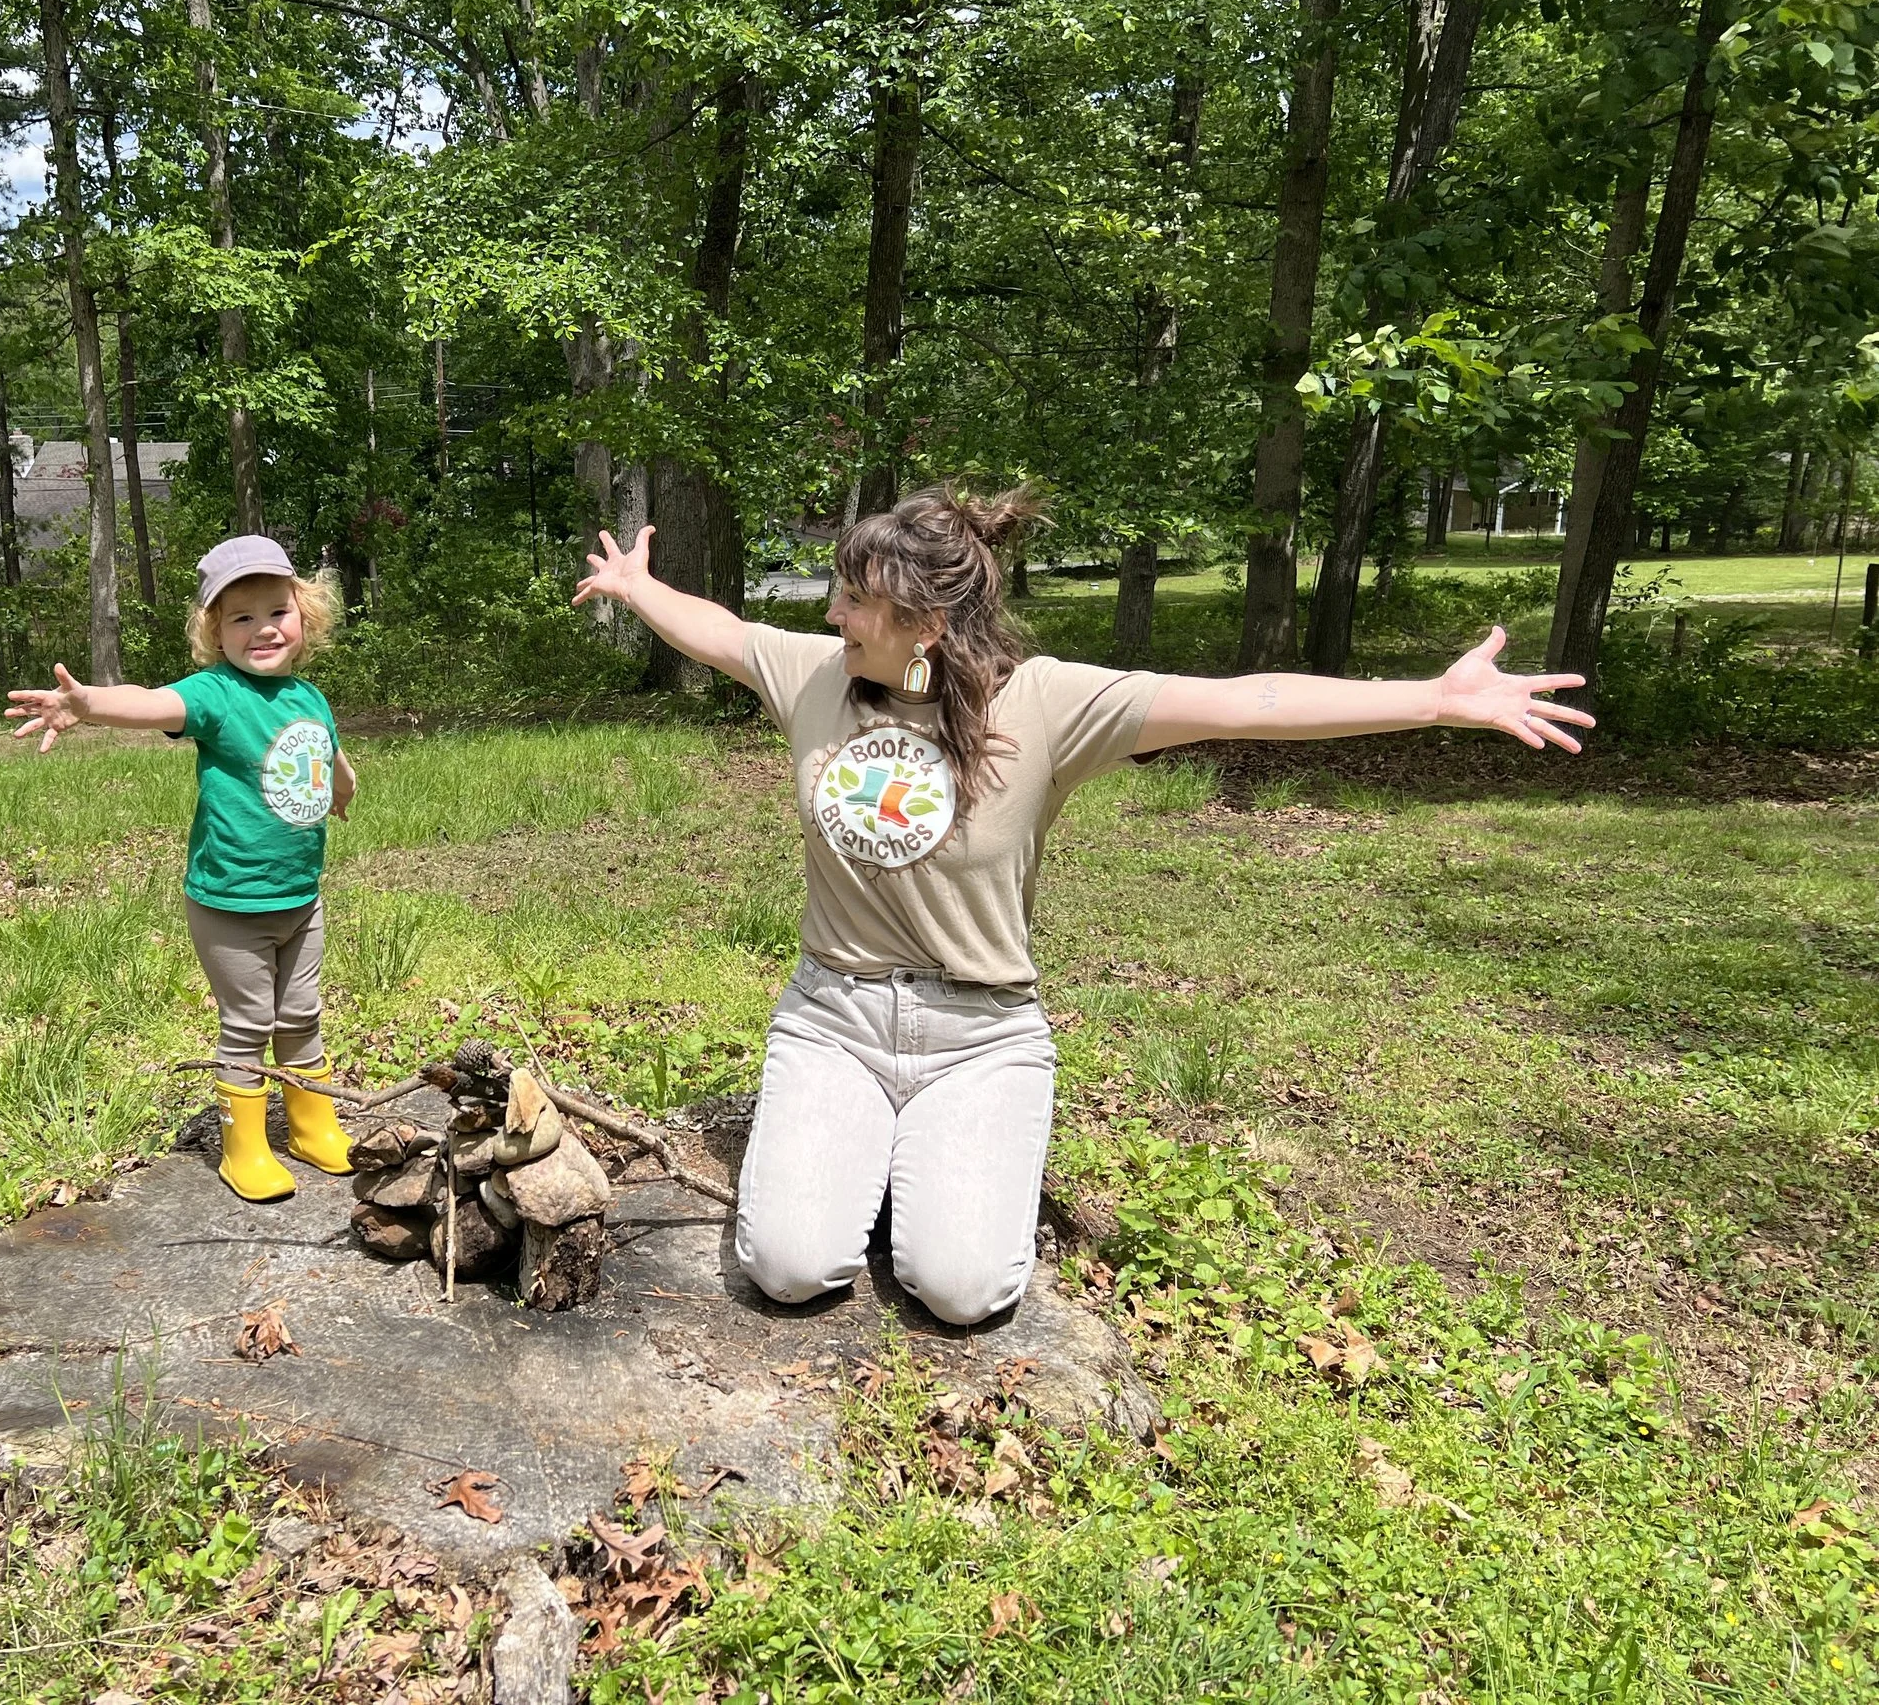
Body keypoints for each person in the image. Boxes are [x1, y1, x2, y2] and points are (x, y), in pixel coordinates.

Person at [575, 486, 1593, 1327]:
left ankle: (915, 1161)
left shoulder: (1048, 701)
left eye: (852, 599)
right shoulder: (816, 675)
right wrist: (638, 585)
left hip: (976, 1035)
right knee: (791, 1269)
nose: (831, 616)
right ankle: (857, 1156)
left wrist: (1432, 698)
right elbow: (720, 634)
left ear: (926, 623)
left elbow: (1248, 700)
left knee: (963, 1291)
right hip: (831, 1019)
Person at [7, 535, 358, 1203]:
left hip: (301, 897)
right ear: (214, 631)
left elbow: (328, 751)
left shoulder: (309, 695)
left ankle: (313, 1124)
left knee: (302, 1014)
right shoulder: (215, 694)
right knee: (251, 1021)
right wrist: (89, 705)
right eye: (241, 617)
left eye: (276, 611)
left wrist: (343, 786)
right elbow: (148, 701)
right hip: (230, 904)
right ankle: (245, 1146)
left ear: (303, 616)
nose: (263, 629)